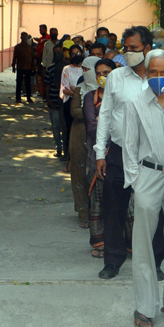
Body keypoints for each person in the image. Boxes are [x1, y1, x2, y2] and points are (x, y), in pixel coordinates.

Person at [120, 49, 164, 327]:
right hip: (148, 175)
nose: (159, 77)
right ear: (146, 73)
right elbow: (129, 146)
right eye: (154, 72)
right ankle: (145, 307)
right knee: (144, 245)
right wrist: (136, 181)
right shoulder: (135, 103)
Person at [94, 26, 153, 279]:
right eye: (126, 48)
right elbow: (105, 115)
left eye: (134, 48)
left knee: (151, 210)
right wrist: (100, 153)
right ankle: (113, 260)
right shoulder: (116, 77)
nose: (128, 52)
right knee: (114, 209)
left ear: (147, 48)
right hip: (118, 153)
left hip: (150, 155)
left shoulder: (158, 77)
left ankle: (153, 261)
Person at [84, 58, 120, 258]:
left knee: (124, 201)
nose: (102, 77)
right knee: (98, 199)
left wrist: (105, 122)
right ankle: (100, 243)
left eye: (106, 73)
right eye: (98, 73)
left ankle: (125, 243)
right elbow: (91, 127)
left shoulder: (121, 95)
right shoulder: (91, 97)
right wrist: (114, 125)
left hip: (120, 155)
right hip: (97, 155)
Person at [69, 56, 99, 228]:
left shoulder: (107, 90)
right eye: (84, 69)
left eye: (88, 69)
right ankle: (83, 212)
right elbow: (74, 111)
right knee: (79, 172)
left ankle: (97, 212)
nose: (84, 73)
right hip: (80, 134)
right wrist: (94, 113)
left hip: (99, 135)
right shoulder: (80, 89)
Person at [61, 43, 84, 168]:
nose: (76, 56)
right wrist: (78, 92)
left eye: (78, 53)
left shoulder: (86, 68)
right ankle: (69, 159)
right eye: (73, 54)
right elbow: (65, 89)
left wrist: (75, 90)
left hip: (84, 102)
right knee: (70, 131)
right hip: (70, 103)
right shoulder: (67, 69)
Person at [44, 40, 66, 158]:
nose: (58, 54)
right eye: (56, 52)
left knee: (65, 127)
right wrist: (48, 100)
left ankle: (66, 149)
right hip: (54, 102)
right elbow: (47, 85)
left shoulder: (67, 68)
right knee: (56, 127)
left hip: (65, 103)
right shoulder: (50, 68)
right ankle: (59, 148)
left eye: (60, 52)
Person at [12, 32, 35, 103]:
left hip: (28, 68)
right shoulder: (18, 47)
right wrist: (13, 66)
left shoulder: (30, 48)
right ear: (21, 38)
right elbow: (15, 57)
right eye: (23, 37)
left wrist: (33, 67)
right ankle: (18, 98)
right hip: (20, 67)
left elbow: (32, 58)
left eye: (25, 37)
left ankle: (28, 97)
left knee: (28, 83)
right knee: (19, 83)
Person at [35, 24, 50, 96]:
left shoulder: (48, 37)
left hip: (45, 60)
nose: (40, 31)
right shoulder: (41, 38)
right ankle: (41, 91)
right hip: (39, 59)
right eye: (39, 30)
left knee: (45, 77)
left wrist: (44, 40)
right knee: (40, 76)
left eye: (41, 30)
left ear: (45, 30)